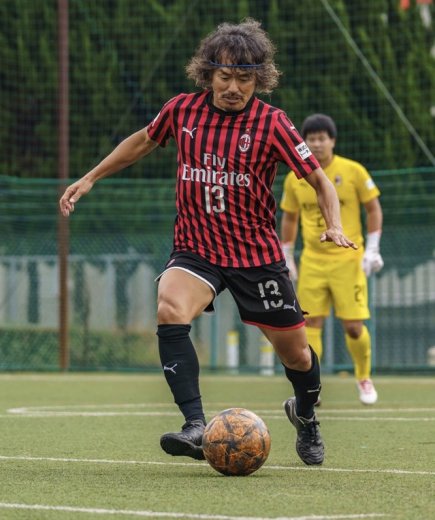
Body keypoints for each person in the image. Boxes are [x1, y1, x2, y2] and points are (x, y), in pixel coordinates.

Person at [59, 20, 357, 466]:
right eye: (225, 76)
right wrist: (90, 178)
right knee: (169, 308)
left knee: (296, 355)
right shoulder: (182, 110)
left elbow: (319, 180)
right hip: (196, 249)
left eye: (245, 79)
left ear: (260, 79)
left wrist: (333, 224)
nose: (233, 88)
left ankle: (306, 415)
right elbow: (141, 142)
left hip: (256, 256)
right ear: (208, 73)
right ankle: (195, 425)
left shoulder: (273, 123)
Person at [280, 113, 383, 405]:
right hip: (313, 261)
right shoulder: (294, 178)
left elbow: (373, 209)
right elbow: (289, 217)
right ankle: (313, 386)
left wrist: (373, 248)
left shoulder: (353, 171)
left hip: (348, 259)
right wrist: (287, 254)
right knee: (310, 325)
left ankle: (364, 377)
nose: (316, 144)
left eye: (322, 138)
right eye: (311, 139)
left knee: (353, 326)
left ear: (332, 141)